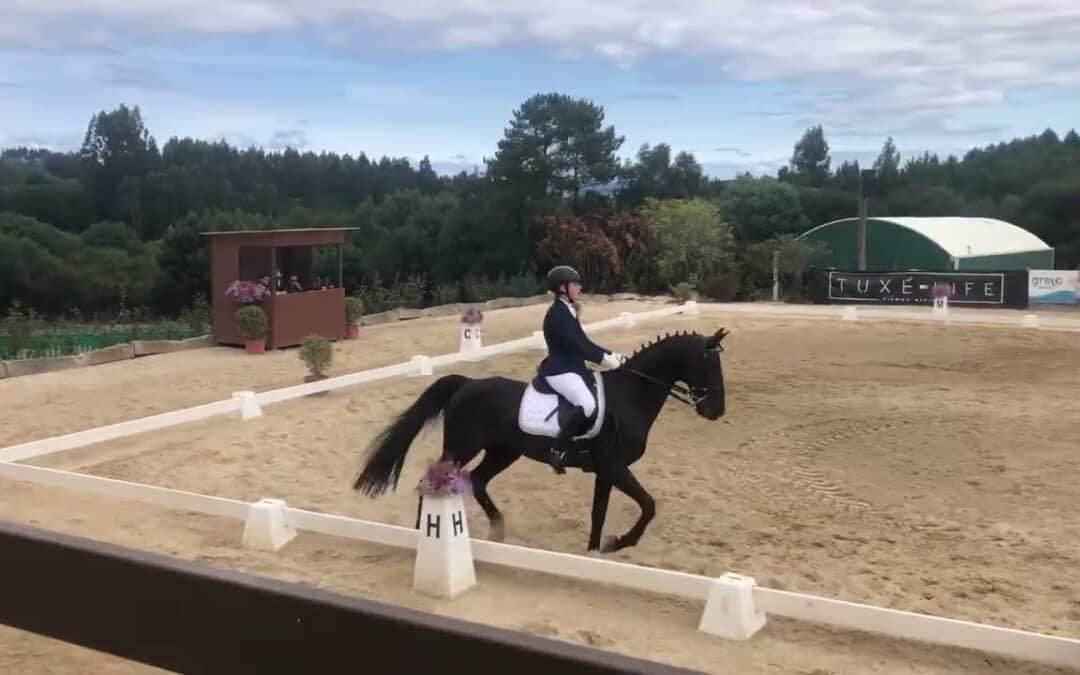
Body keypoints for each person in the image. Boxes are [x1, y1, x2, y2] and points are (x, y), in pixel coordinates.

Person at [538, 265, 626, 473]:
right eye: (575, 284)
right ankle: (557, 450)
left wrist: (611, 354)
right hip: (560, 371)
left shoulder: (568, 311)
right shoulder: (557, 315)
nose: (580, 288)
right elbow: (576, 346)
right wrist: (605, 360)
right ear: (562, 288)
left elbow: (584, 342)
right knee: (587, 405)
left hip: (574, 368)